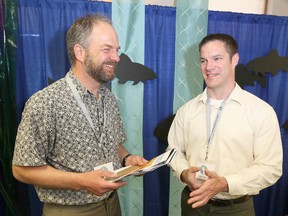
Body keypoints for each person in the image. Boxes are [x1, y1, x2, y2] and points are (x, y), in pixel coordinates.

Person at [12, 14, 147, 216]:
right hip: (69, 210)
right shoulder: (44, 103)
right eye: (107, 49)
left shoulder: (108, 98)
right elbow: (21, 169)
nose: (117, 58)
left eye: (116, 50)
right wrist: (82, 182)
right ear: (80, 52)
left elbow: (112, 144)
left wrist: (127, 159)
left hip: (112, 205)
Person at [167, 33, 283, 216]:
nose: (209, 67)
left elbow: (271, 168)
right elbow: (172, 152)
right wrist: (183, 173)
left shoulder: (260, 111)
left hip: (235, 209)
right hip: (193, 204)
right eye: (203, 60)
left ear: (234, 59)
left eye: (217, 58)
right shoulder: (187, 111)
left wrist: (226, 183)